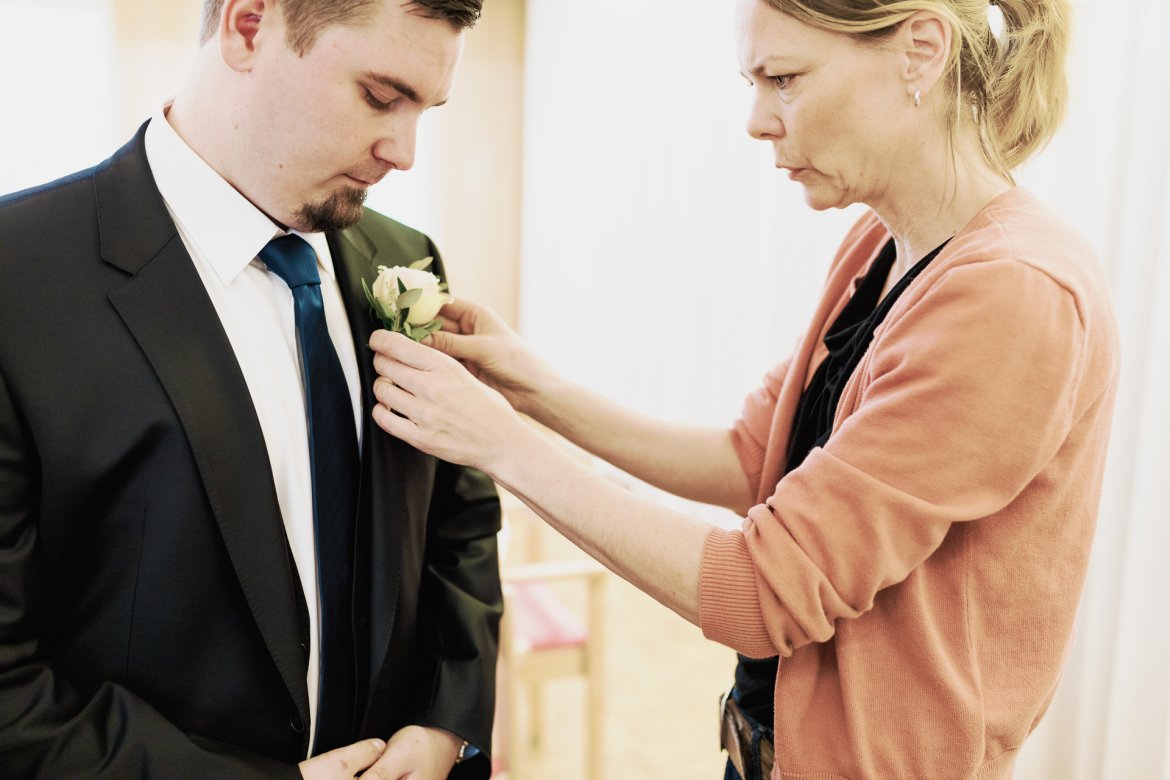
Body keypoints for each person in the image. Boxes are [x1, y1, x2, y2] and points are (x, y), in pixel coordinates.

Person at [366, 0, 1121, 777]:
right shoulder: (884, 245)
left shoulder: (1013, 294)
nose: (758, 121)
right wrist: (532, 391)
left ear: (920, 52)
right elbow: (752, 457)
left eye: (784, 79)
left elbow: (764, 593)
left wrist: (499, 441)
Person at [0, 1, 502, 778]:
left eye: (425, 110)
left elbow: (457, 522)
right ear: (247, 25)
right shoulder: (18, 279)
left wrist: (445, 724)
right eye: (379, 96)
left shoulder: (406, 258)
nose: (403, 152)